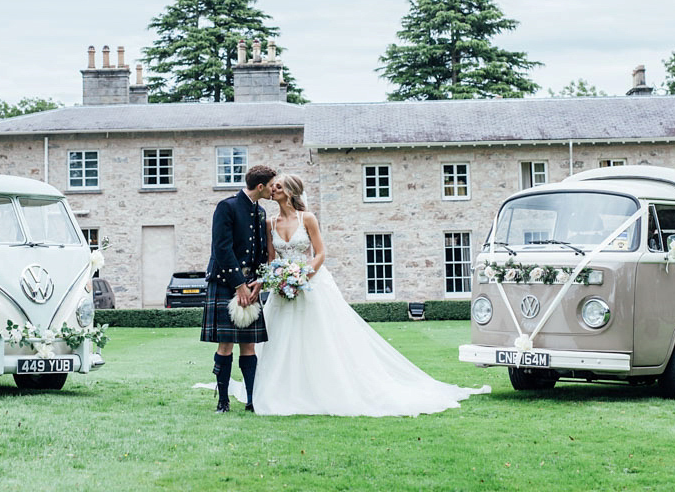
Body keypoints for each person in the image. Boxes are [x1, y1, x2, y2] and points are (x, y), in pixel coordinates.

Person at [248, 173, 489, 416]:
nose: (273, 190)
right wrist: (277, 278)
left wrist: (303, 276)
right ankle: (287, 390)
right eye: (273, 187)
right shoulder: (269, 223)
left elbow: (320, 254)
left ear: (290, 191)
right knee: (282, 339)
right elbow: (271, 258)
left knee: (318, 337)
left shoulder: (307, 218)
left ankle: (324, 387)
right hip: (284, 289)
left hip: (310, 284)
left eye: (278, 186)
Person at [199, 164, 276, 413]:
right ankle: (223, 401)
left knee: (249, 345)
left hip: (250, 286)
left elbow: (263, 253)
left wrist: (260, 281)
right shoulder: (227, 206)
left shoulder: (261, 212)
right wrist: (239, 285)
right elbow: (221, 248)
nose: (274, 190)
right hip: (225, 283)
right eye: (272, 185)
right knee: (225, 344)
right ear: (261, 186)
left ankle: (251, 399)